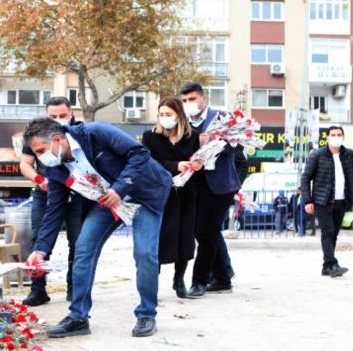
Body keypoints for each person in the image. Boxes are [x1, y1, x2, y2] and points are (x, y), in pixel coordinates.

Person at [23, 117, 171, 338]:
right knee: (83, 247)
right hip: (106, 202)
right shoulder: (55, 169)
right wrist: (40, 249)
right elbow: (54, 210)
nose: (39, 158)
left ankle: (146, 314)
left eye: (40, 150)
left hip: (143, 194)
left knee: (144, 253)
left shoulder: (96, 133)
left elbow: (140, 153)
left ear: (56, 140)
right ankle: (78, 318)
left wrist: (120, 189)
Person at [18, 96, 87, 306]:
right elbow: (25, 164)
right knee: (40, 239)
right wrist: (40, 179)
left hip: (78, 193)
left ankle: (74, 289)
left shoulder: (80, 132)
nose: (58, 119)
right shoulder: (36, 136)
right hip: (46, 192)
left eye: (63, 116)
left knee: (78, 242)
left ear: (71, 113)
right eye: (53, 116)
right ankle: (37, 290)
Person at [179, 83, 242, 297]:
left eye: (192, 99)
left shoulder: (222, 118)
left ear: (203, 99)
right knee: (207, 231)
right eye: (185, 100)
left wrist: (216, 142)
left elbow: (238, 146)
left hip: (220, 185)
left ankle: (200, 281)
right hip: (193, 183)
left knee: (205, 233)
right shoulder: (182, 122)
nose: (189, 104)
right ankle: (223, 276)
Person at [141, 97, 201, 299]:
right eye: (162, 114)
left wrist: (197, 166)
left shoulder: (192, 137)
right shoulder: (151, 137)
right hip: (162, 193)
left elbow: (197, 160)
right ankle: (152, 281)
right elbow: (149, 163)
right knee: (160, 237)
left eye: (169, 114)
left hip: (186, 193)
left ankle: (179, 280)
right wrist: (175, 166)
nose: (165, 118)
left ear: (179, 115)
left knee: (185, 237)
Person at [300, 125, 353, 277]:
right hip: (322, 201)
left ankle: (326, 267)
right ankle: (332, 264)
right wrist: (308, 201)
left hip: (342, 201)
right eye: (333, 134)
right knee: (327, 232)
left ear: (343, 137)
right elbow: (305, 178)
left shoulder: (349, 154)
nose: (336, 137)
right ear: (327, 137)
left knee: (334, 234)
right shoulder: (317, 155)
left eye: (339, 134)